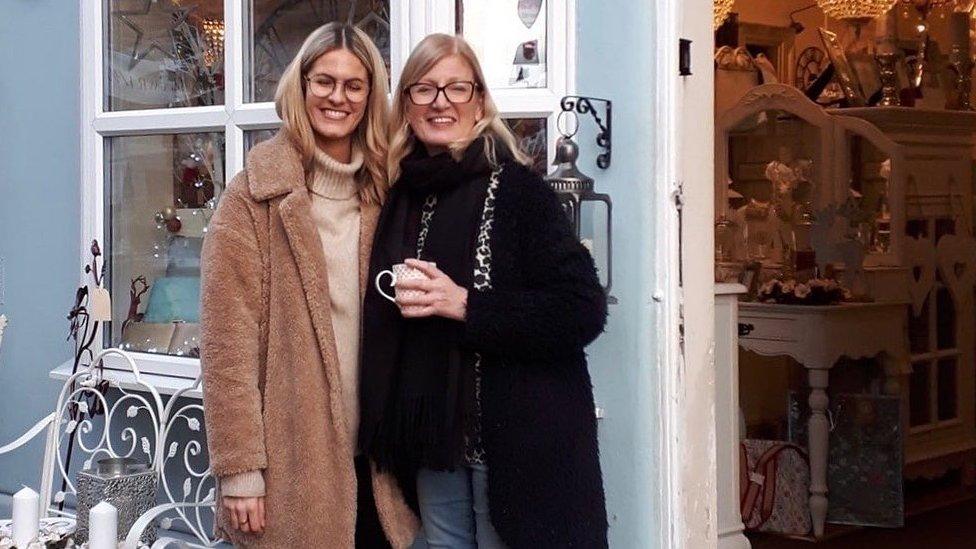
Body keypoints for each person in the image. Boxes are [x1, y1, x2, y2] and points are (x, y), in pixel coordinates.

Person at [359, 33, 609, 549]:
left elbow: (582, 308)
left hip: (517, 441)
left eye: (456, 87)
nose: (441, 102)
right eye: (424, 89)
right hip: (435, 442)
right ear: (405, 104)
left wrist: (466, 303)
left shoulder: (517, 190)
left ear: (479, 101)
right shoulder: (400, 195)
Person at [200, 23, 418, 548]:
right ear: (300, 86)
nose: (337, 97)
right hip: (293, 467)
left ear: (371, 97)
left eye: (354, 85)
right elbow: (227, 349)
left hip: (381, 464)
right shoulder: (253, 200)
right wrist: (239, 471)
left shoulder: (388, 194)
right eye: (324, 81)